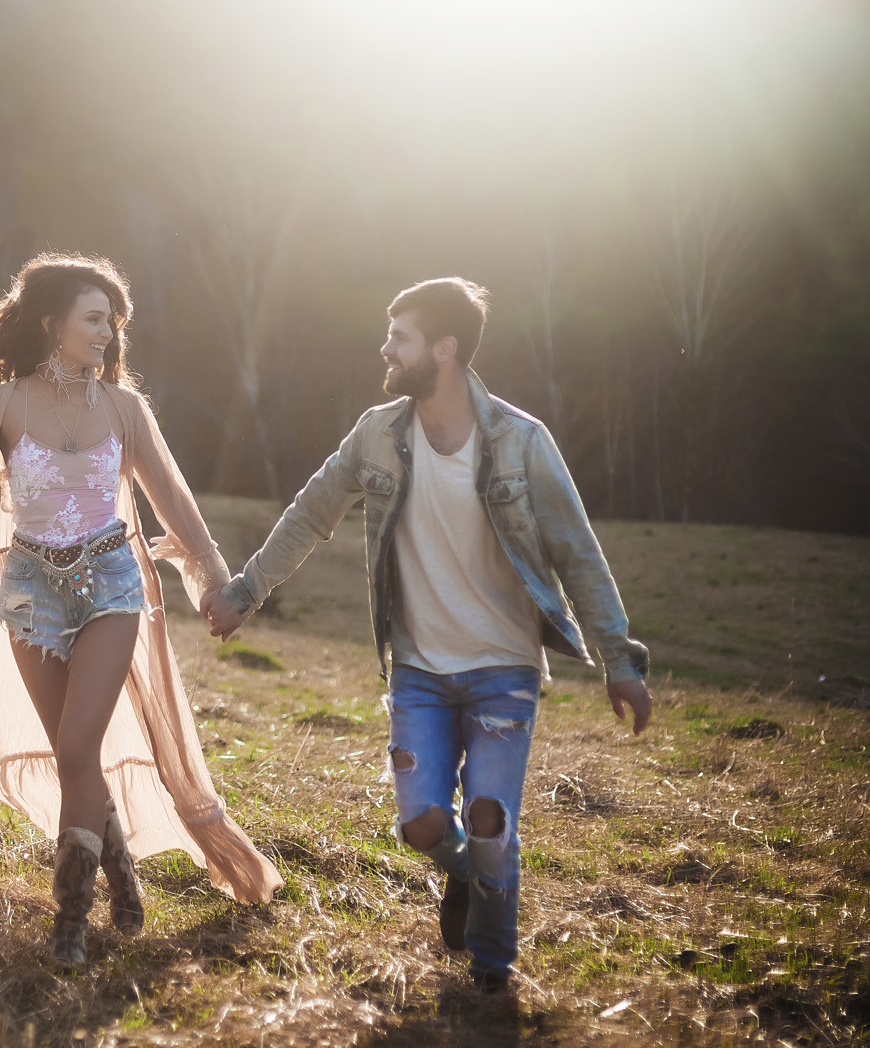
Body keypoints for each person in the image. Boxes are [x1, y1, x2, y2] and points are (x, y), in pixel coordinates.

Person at [199, 277, 650, 992]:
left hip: (504, 668)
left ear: (444, 349)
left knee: (493, 822)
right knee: (422, 827)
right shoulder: (377, 433)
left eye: (399, 338)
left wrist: (620, 660)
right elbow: (312, 511)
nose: (385, 349)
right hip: (418, 670)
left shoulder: (522, 442)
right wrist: (245, 591)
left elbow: (578, 553)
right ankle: (470, 875)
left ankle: (492, 977)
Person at [0, 253, 280, 967]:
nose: (108, 332)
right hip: (30, 596)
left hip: (111, 586)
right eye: (94, 318)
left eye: (113, 320)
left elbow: (179, 508)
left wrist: (215, 579)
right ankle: (119, 869)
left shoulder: (125, 409)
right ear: (53, 323)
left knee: (78, 746)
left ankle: (71, 920)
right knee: (73, 755)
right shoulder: (0, 406)